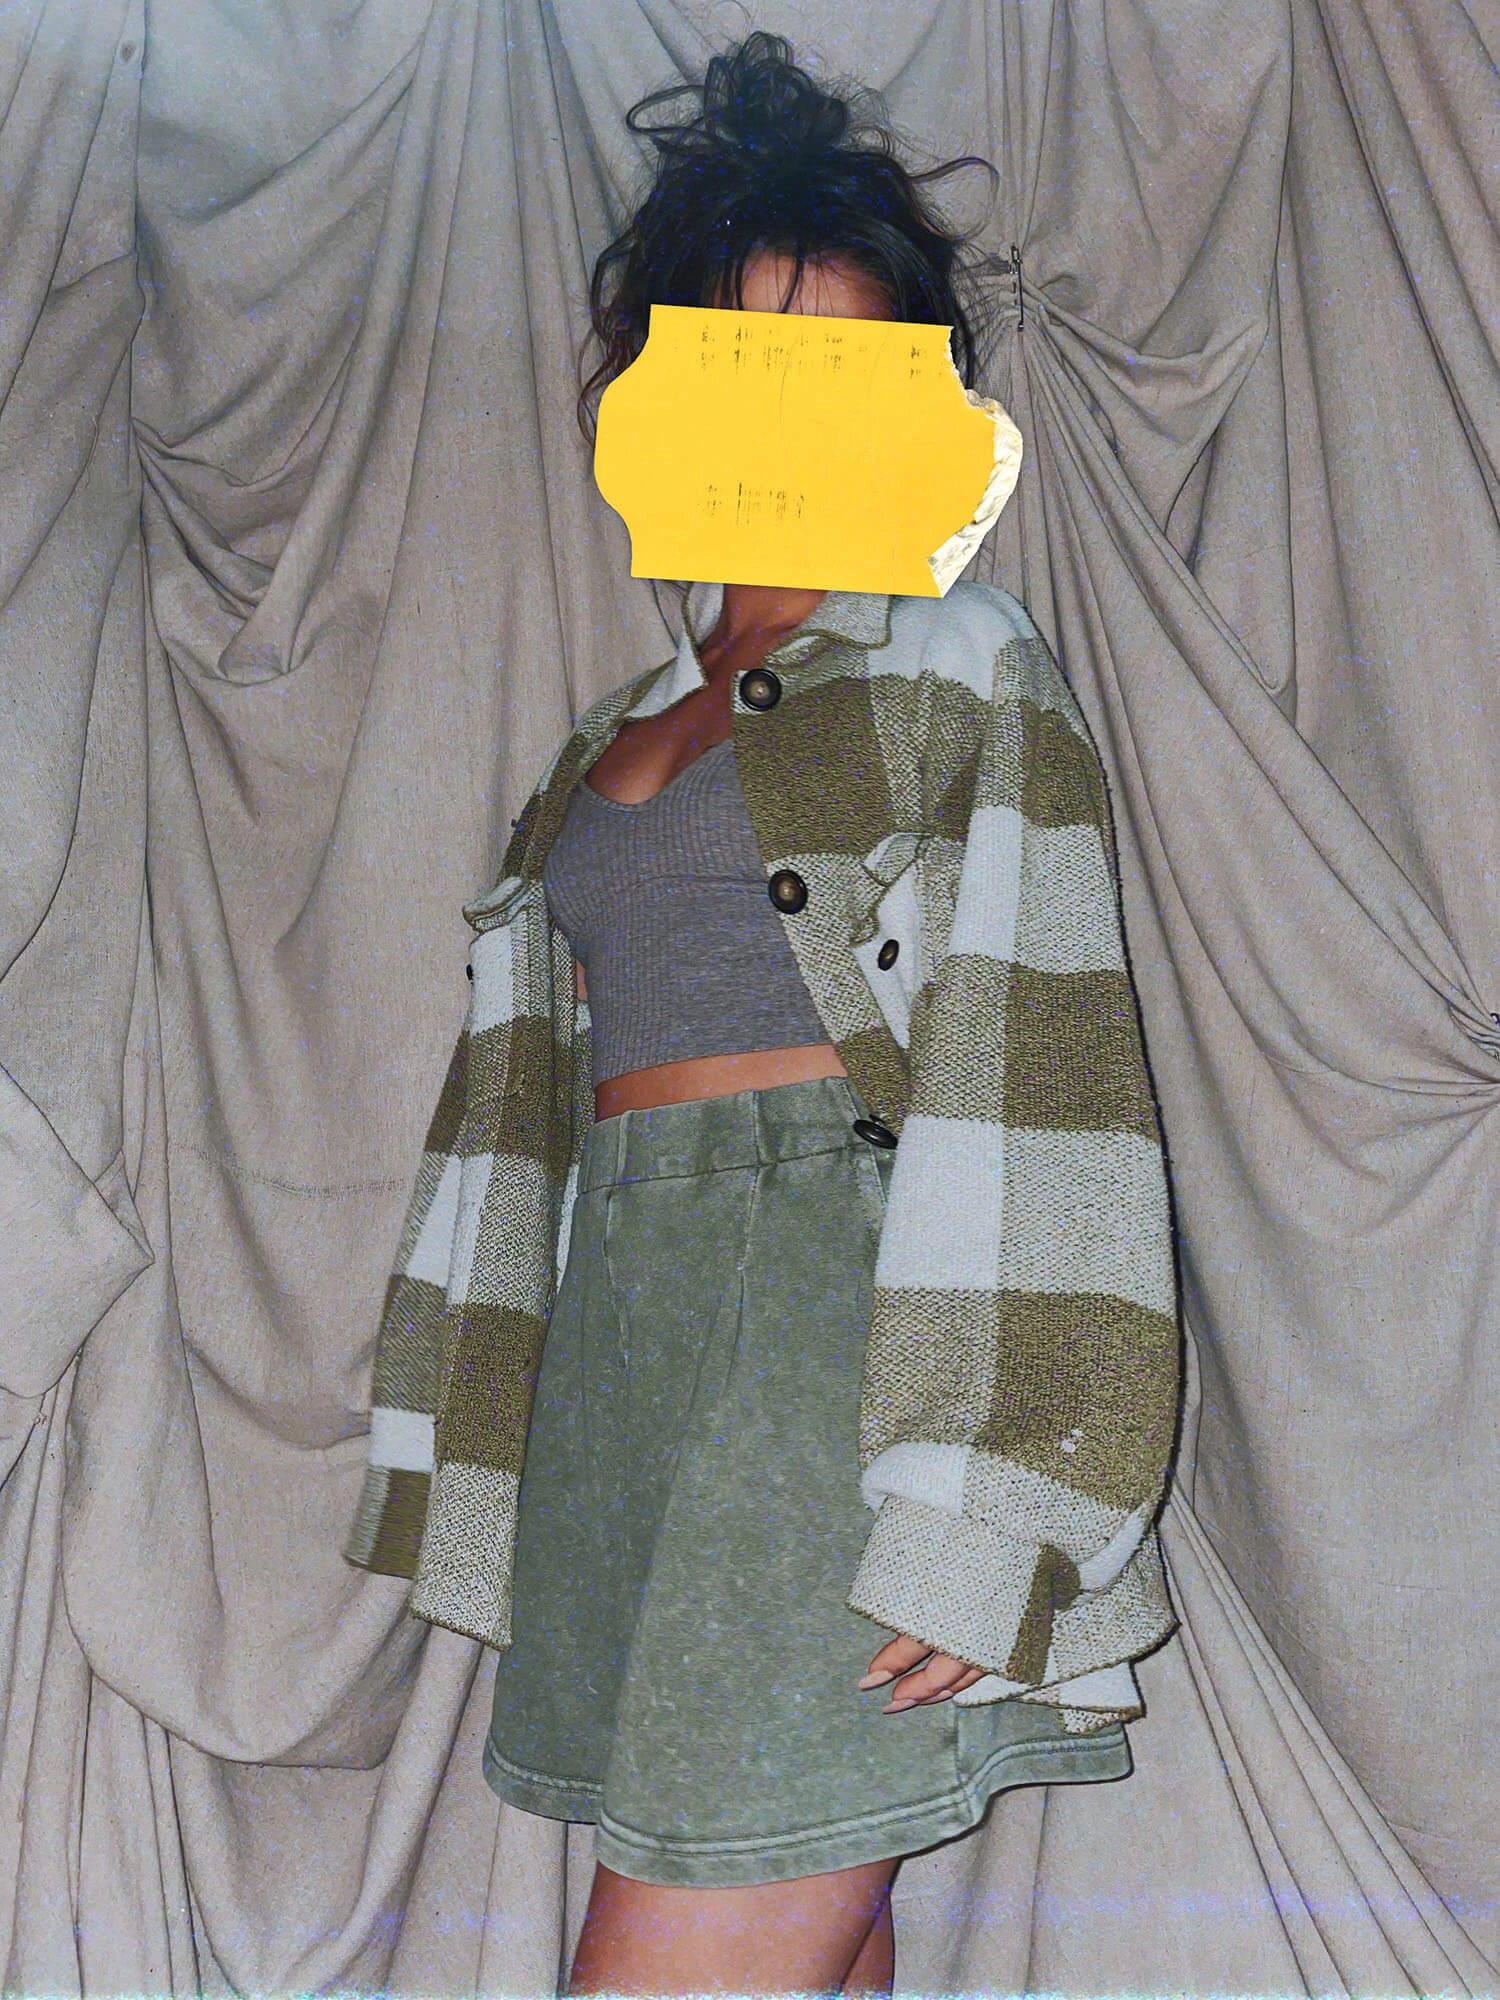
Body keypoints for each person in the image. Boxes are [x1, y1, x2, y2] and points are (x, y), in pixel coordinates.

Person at [345, 31, 1181, 1999]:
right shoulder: (606, 735)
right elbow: (525, 1132)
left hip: (844, 1338)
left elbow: (1049, 1083)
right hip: (635, 1349)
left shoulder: (962, 665)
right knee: (814, 1930)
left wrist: (1001, 1503)